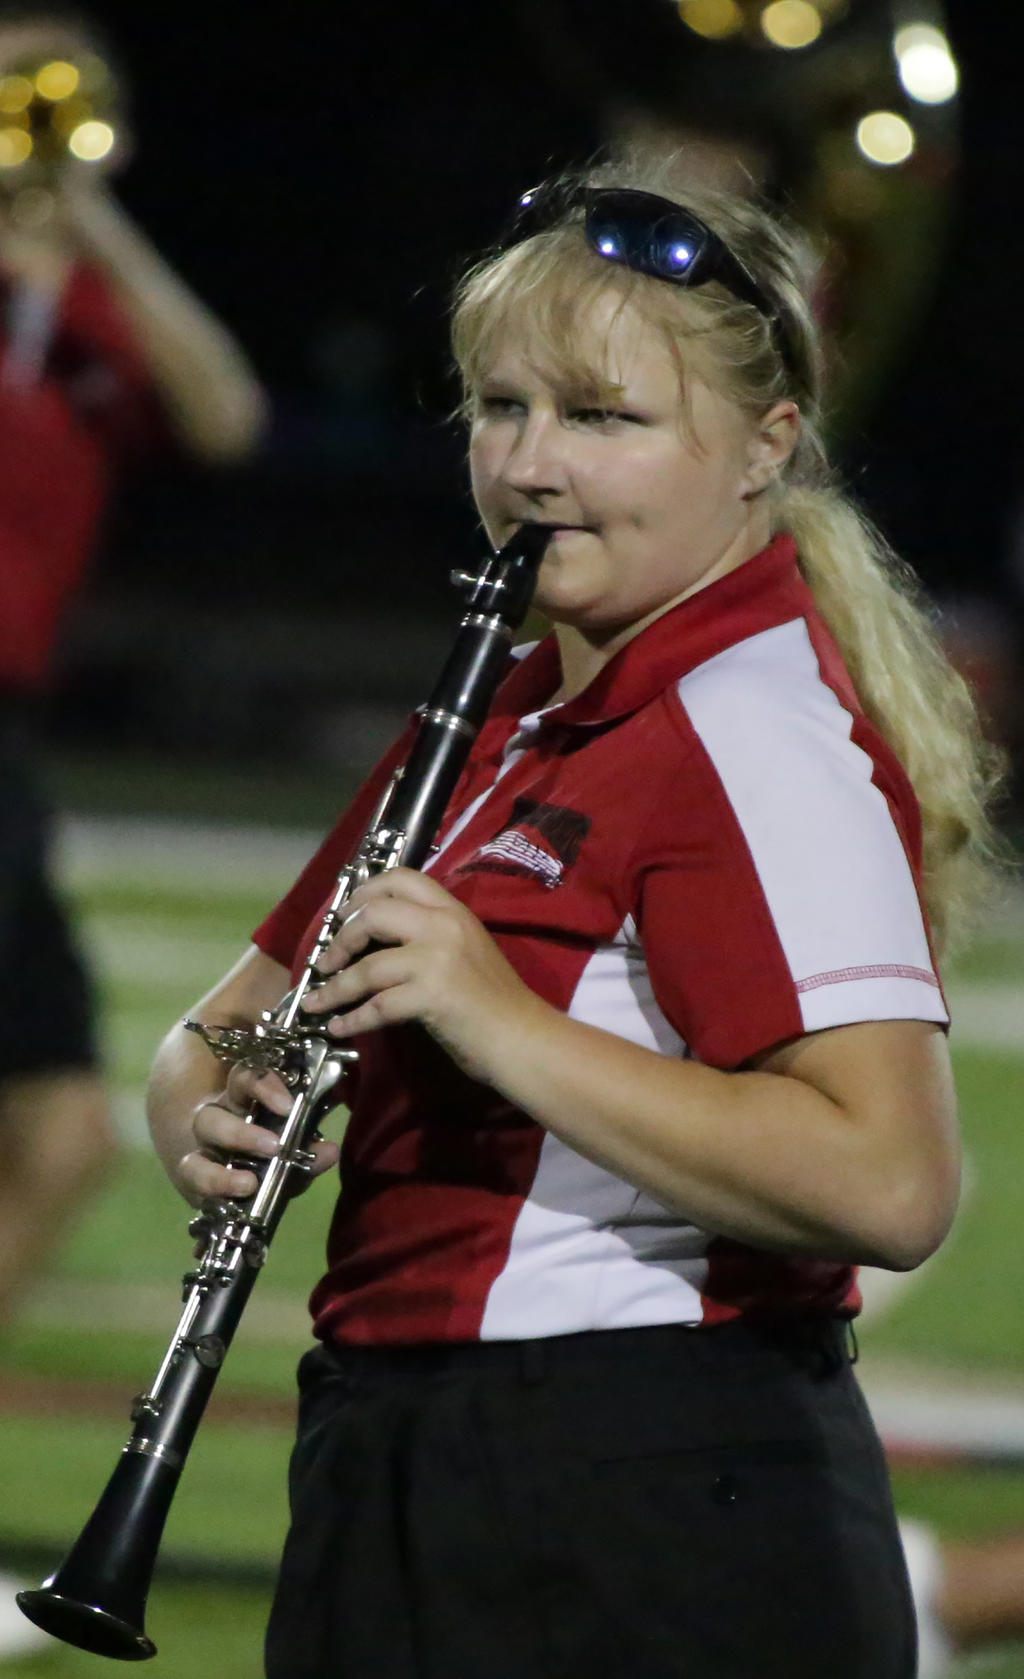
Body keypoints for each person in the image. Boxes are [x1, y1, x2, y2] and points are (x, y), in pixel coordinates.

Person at [147, 160, 1001, 1679]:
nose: (532, 467)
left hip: (647, 1490)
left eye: (604, 420)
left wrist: (493, 1017)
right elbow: (217, 1030)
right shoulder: (507, 713)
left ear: (765, 448)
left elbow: (890, 1180)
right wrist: (204, 1108)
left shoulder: (751, 728)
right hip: (414, 1446)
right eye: (502, 408)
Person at [0, 10, 265, 1655]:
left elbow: (225, 414)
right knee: (51, 1127)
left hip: (7, 739)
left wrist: (83, 212)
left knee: (58, 1136)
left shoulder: (87, 303)